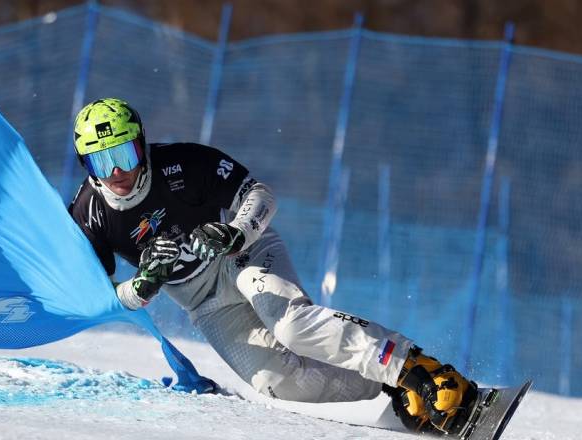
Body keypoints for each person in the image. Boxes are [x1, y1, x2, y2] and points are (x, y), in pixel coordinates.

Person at [68, 98, 477, 435]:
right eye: (101, 163)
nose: (117, 172)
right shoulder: (89, 213)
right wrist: (141, 285)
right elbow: (100, 298)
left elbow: (258, 193)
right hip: (204, 303)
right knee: (276, 383)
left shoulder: (185, 163)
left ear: (142, 144)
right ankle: (393, 387)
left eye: (124, 154)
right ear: (86, 166)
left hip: (242, 258)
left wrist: (236, 233)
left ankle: (418, 368)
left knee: (292, 326)